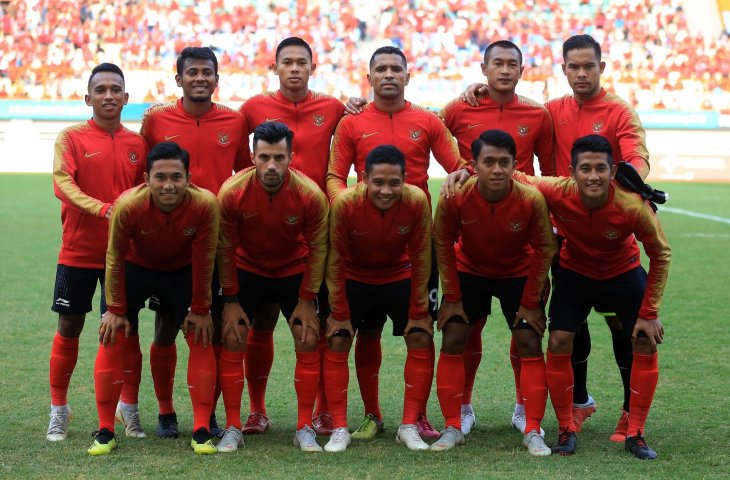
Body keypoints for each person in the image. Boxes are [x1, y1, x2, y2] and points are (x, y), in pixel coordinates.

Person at [463, 34, 651, 440]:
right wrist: (476, 92)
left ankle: (626, 411)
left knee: (623, 326)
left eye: (589, 66)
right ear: (563, 69)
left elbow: (636, 158)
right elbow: (516, 131)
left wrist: (633, 189)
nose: (581, 73)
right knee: (569, 325)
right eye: (574, 67)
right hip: (565, 238)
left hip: (613, 239)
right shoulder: (550, 112)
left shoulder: (620, 112)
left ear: (602, 67)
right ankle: (580, 402)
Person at [326, 45, 470, 441]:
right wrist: (348, 205)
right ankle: (372, 414)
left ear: (409, 76)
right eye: (381, 69)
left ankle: (417, 417)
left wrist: (455, 183)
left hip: (413, 247)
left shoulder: (427, 120)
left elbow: (458, 166)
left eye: (396, 69)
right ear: (369, 77)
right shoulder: (351, 122)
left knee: (419, 329)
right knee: (365, 333)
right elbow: (334, 177)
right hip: (361, 244)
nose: (389, 75)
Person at [514, 134, 670, 460]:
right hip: (576, 275)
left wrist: (650, 312)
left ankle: (635, 430)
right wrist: (463, 169)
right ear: (572, 171)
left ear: (613, 171)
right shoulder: (558, 191)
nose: (593, 176)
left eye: (601, 168)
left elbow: (660, 254)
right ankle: (566, 428)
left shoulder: (631, 205)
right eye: (585, 168)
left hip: (623, 273)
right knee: (558, 341)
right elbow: (517, 175)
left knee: (643, 340)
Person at [439, 40, 555, 435]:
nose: (505, 70)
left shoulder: (537, 115)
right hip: (471, 237)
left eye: (512, 64)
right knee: (464, 331)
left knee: (524, 329)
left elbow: (551, 168)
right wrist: (458, 168)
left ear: (522, 70)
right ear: (484, 68)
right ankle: (463, 408)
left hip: (519, 237)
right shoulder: (460, 107)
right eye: (497, 64)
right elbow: (428, 134)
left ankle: (525, 408)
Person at [139, 46, 250, 439]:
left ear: (217, 79)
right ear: (178, 79)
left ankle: (211, 412)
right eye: (192, 72)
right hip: (168, 244)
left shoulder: (234, 121)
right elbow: (144, 174)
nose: (200, 78)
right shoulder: (156, 119)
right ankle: (166, 413)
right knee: (165, 327)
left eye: (207, 72)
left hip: (216, 244)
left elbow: (245, 173)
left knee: (214, 330)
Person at [237, 36, 346, 436]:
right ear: (275, 66)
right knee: (260, 321)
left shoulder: (334, 107)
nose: (295, 68)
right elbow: (240, 160)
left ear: (313, 68)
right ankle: (257, 410)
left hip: (316, 232)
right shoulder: (252, 109)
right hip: (263, 231)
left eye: (303, 61)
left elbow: (369, 117)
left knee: (312, 323)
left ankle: (320, 412)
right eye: (288, 62)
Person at [88, 141, 220, 455]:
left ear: (189, 179)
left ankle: (201, 430)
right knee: (113, 333)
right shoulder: (128, 205)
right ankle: (105, 430)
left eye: (176, 177)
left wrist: (201, 308)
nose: (168, 185)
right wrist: (116, 309)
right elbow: (114, 257)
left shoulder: (205, 205)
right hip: (136, 268)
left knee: (200, 334)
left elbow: (205, 259)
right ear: (146, 179)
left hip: (181, 271)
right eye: (160, 177)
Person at [47, 62, 148, 442]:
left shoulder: (138, 144)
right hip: (77, 251)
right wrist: (102, 208)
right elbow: (61, 183)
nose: (109, 95)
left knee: (123, 331)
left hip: (123, 256)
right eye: (101, 89)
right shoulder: (71, 137)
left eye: (115, 89)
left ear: (126, 97)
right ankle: (59, 408)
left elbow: (146, 192)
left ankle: (129, 407)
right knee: (69, 327)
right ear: (87, 97)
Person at [216, 121, 329, 452]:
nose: (271, 166)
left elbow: (318, 249)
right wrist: (232, 299)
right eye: (264, 157)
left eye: (279, 157)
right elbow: (224, 250)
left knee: (308, 337)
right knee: (233, 336)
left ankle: (304, 426)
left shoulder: (310, 195)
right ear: (252, 156)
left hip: (292, 269)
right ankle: (236, 424)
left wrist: (308, 299)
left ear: (291, 157)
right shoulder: (232, 192)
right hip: (247, 269)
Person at [324, 145, 433, 452]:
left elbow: (422, 255)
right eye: (379, 182)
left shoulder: (416, 201)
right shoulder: (345, 204)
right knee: (338, 337)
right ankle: (340, 428)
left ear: (405, 179)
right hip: (355, 277)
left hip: (399, 275)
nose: (386, 190)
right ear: (364, 178)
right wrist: (340, 311)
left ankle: (409, 426)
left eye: (394, 183)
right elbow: (335, 259)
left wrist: (419, 309)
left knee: (421, 335)